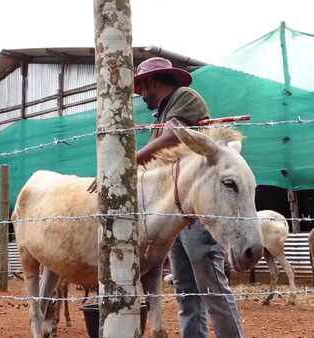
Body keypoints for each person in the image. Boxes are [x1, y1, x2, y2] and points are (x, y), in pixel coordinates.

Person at [88, 57, 244, 338]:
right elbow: (155, 162)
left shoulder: (185, 98)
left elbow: (174, 138)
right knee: (185, 289)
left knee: (211, 287)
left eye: (141, 86)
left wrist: (121, 168)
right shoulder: (160, 114)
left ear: (150, 81)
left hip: (194, 211)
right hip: (173, 213)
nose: (141, 94)